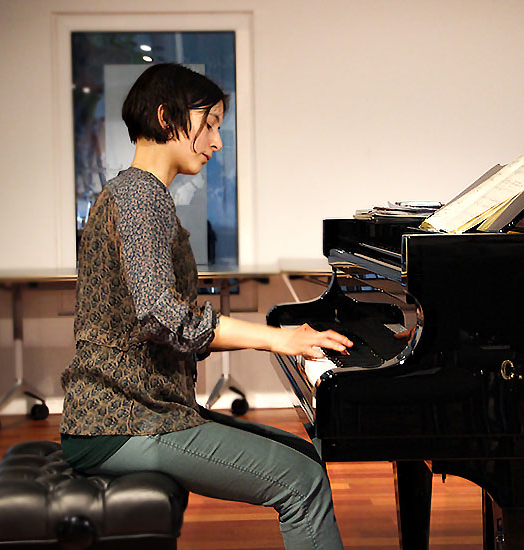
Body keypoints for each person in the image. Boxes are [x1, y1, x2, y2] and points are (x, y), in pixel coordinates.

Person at [59, 63, 352, 550]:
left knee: (304, 455)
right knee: (301, 483)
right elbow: (162, 315)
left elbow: (162, 323)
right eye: (210, 123)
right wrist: (279, 339)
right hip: (123, 421)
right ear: (167, 117)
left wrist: (275, 339)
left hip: (139, 411)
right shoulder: (140, 197)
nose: (216, 142)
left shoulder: (133, 193)